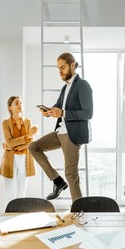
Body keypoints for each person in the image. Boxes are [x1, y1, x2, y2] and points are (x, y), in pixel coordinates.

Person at [29, 52, 93, 202]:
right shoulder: (65, 88)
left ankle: (79, 211)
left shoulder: (83, 85)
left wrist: (62, 112)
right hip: (60, 132)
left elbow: (88, 113)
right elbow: (58, 107)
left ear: (72, 65)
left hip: (72, 135)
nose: (60, 71)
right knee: (33, 147)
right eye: (58, 68)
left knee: (71, 174)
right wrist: (49, 112)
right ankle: (58, 182)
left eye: (62, 67)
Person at [0, 96, 38, 207]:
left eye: (20, 103)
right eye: (16, 103)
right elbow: (10, 142)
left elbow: (31, 142)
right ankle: (7, 217)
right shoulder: (5, 123)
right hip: (10, 160)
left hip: (24, 159)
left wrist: (17, 147)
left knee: (21, 194)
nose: (20, 105)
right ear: (10, 108)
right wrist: (27, 136)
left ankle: (19, 218)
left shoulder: (27, 121)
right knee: (9, 195)